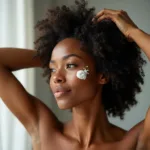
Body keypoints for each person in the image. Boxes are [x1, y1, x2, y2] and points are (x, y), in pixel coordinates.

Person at [0, 0, 150, 149]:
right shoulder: (44, 133)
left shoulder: (134, 143)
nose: (56, 77)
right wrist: (52, 58)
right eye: (52, 69)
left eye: (71, 65)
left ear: (102, 75)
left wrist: (133, 32)